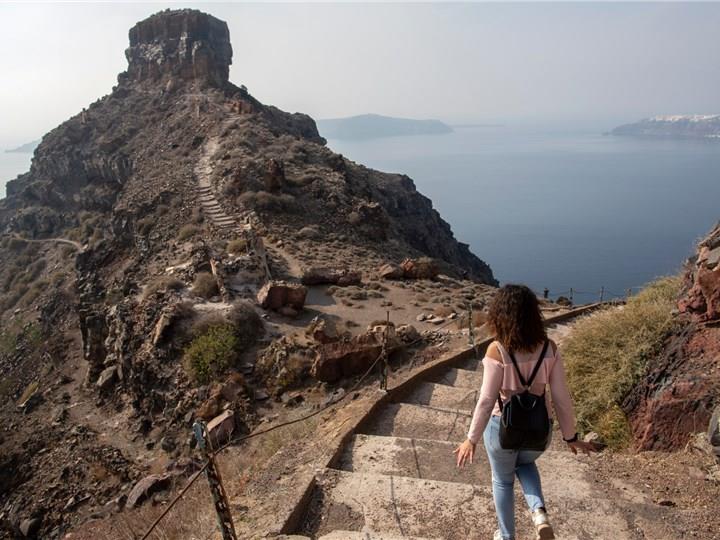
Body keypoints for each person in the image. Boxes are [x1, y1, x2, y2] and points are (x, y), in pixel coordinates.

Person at [453, 284, 596, 540]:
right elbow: (561, 397)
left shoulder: (497, 350)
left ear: (500, 316)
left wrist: (471, 439)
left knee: (502, 480)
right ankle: (539, 514)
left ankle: (506, 536)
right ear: (534, 314)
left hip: (502, 428)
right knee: (525, 463)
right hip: (539, 429)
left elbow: (486, 400)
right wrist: (570, 437)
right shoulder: (549, 348)